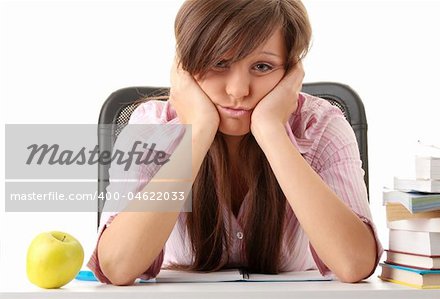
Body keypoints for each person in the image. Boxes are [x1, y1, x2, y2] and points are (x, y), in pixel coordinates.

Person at [88, 0, 383, 286]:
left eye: (263, 66)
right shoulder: (151, 126)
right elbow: (118, 266)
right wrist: (199, 130)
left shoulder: (322, 126)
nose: (238, 90)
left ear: (291, 70)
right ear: (185, 66)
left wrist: (271, 131)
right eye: (219, 62)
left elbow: (354, 264)